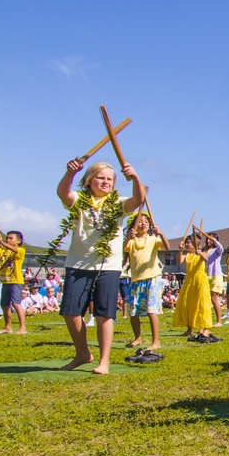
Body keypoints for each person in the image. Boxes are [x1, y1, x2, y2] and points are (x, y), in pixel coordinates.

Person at [56, 158, 144, 372]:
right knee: (70, 312)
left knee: (104, 314)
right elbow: (62, 193)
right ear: (89, 180)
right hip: (78, 263)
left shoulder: (118, 203)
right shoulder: (79, 200)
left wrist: (135, 178)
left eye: (109, 179)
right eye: (100, 177)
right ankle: (83, 353)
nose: (105, 182)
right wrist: (70, 174)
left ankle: (104, 360)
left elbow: (138, 199)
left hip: (109, 266)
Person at [123, 212, 169, 350]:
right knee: (133, 311)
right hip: (136, 279)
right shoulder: (131, 242)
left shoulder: (153, 239)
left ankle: (156, 341)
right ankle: (137, 338)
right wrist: (127, 237)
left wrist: (160, 233)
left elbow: (166, 246)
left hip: (153, 278)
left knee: (151, 310)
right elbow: (122, 250)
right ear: (133, 226)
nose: (143, 224)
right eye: (140, 222)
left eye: (146, 222)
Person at [173, 235, 219, 343]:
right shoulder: (186, 255)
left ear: (196, 244)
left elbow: (206, 259)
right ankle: (190, 329)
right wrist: (180, 250)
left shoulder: (201, 253)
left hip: (200, 280)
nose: (187, 244)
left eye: (189, 242)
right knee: (188, 304)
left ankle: (205, 328)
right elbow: (179, 261)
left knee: (201, 304)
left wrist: (200, 253)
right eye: (186, 242)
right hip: (189, 280)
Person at [0, 230, 27, 334]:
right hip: (6, 281)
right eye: (7, 238)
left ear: (18, 240)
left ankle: (22, 328)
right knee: (4, 304)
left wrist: (2, 242)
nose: (8, 240)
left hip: (16, 281)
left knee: (16, 304)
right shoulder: (4, 251)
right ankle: (8, 327)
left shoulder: (21, 250)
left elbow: (15, 251)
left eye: (11, 238)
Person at [203, 232, 225, 326]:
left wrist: (215, 241)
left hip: (215, 275)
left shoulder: (216, 250)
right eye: (207, 239)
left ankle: (219, 321)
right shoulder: (204, 250)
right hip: (206, 275)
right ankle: (206, 319)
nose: (208, 240)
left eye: (210, 239)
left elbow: (221, 249)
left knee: (214, 298)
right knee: (205, 298)